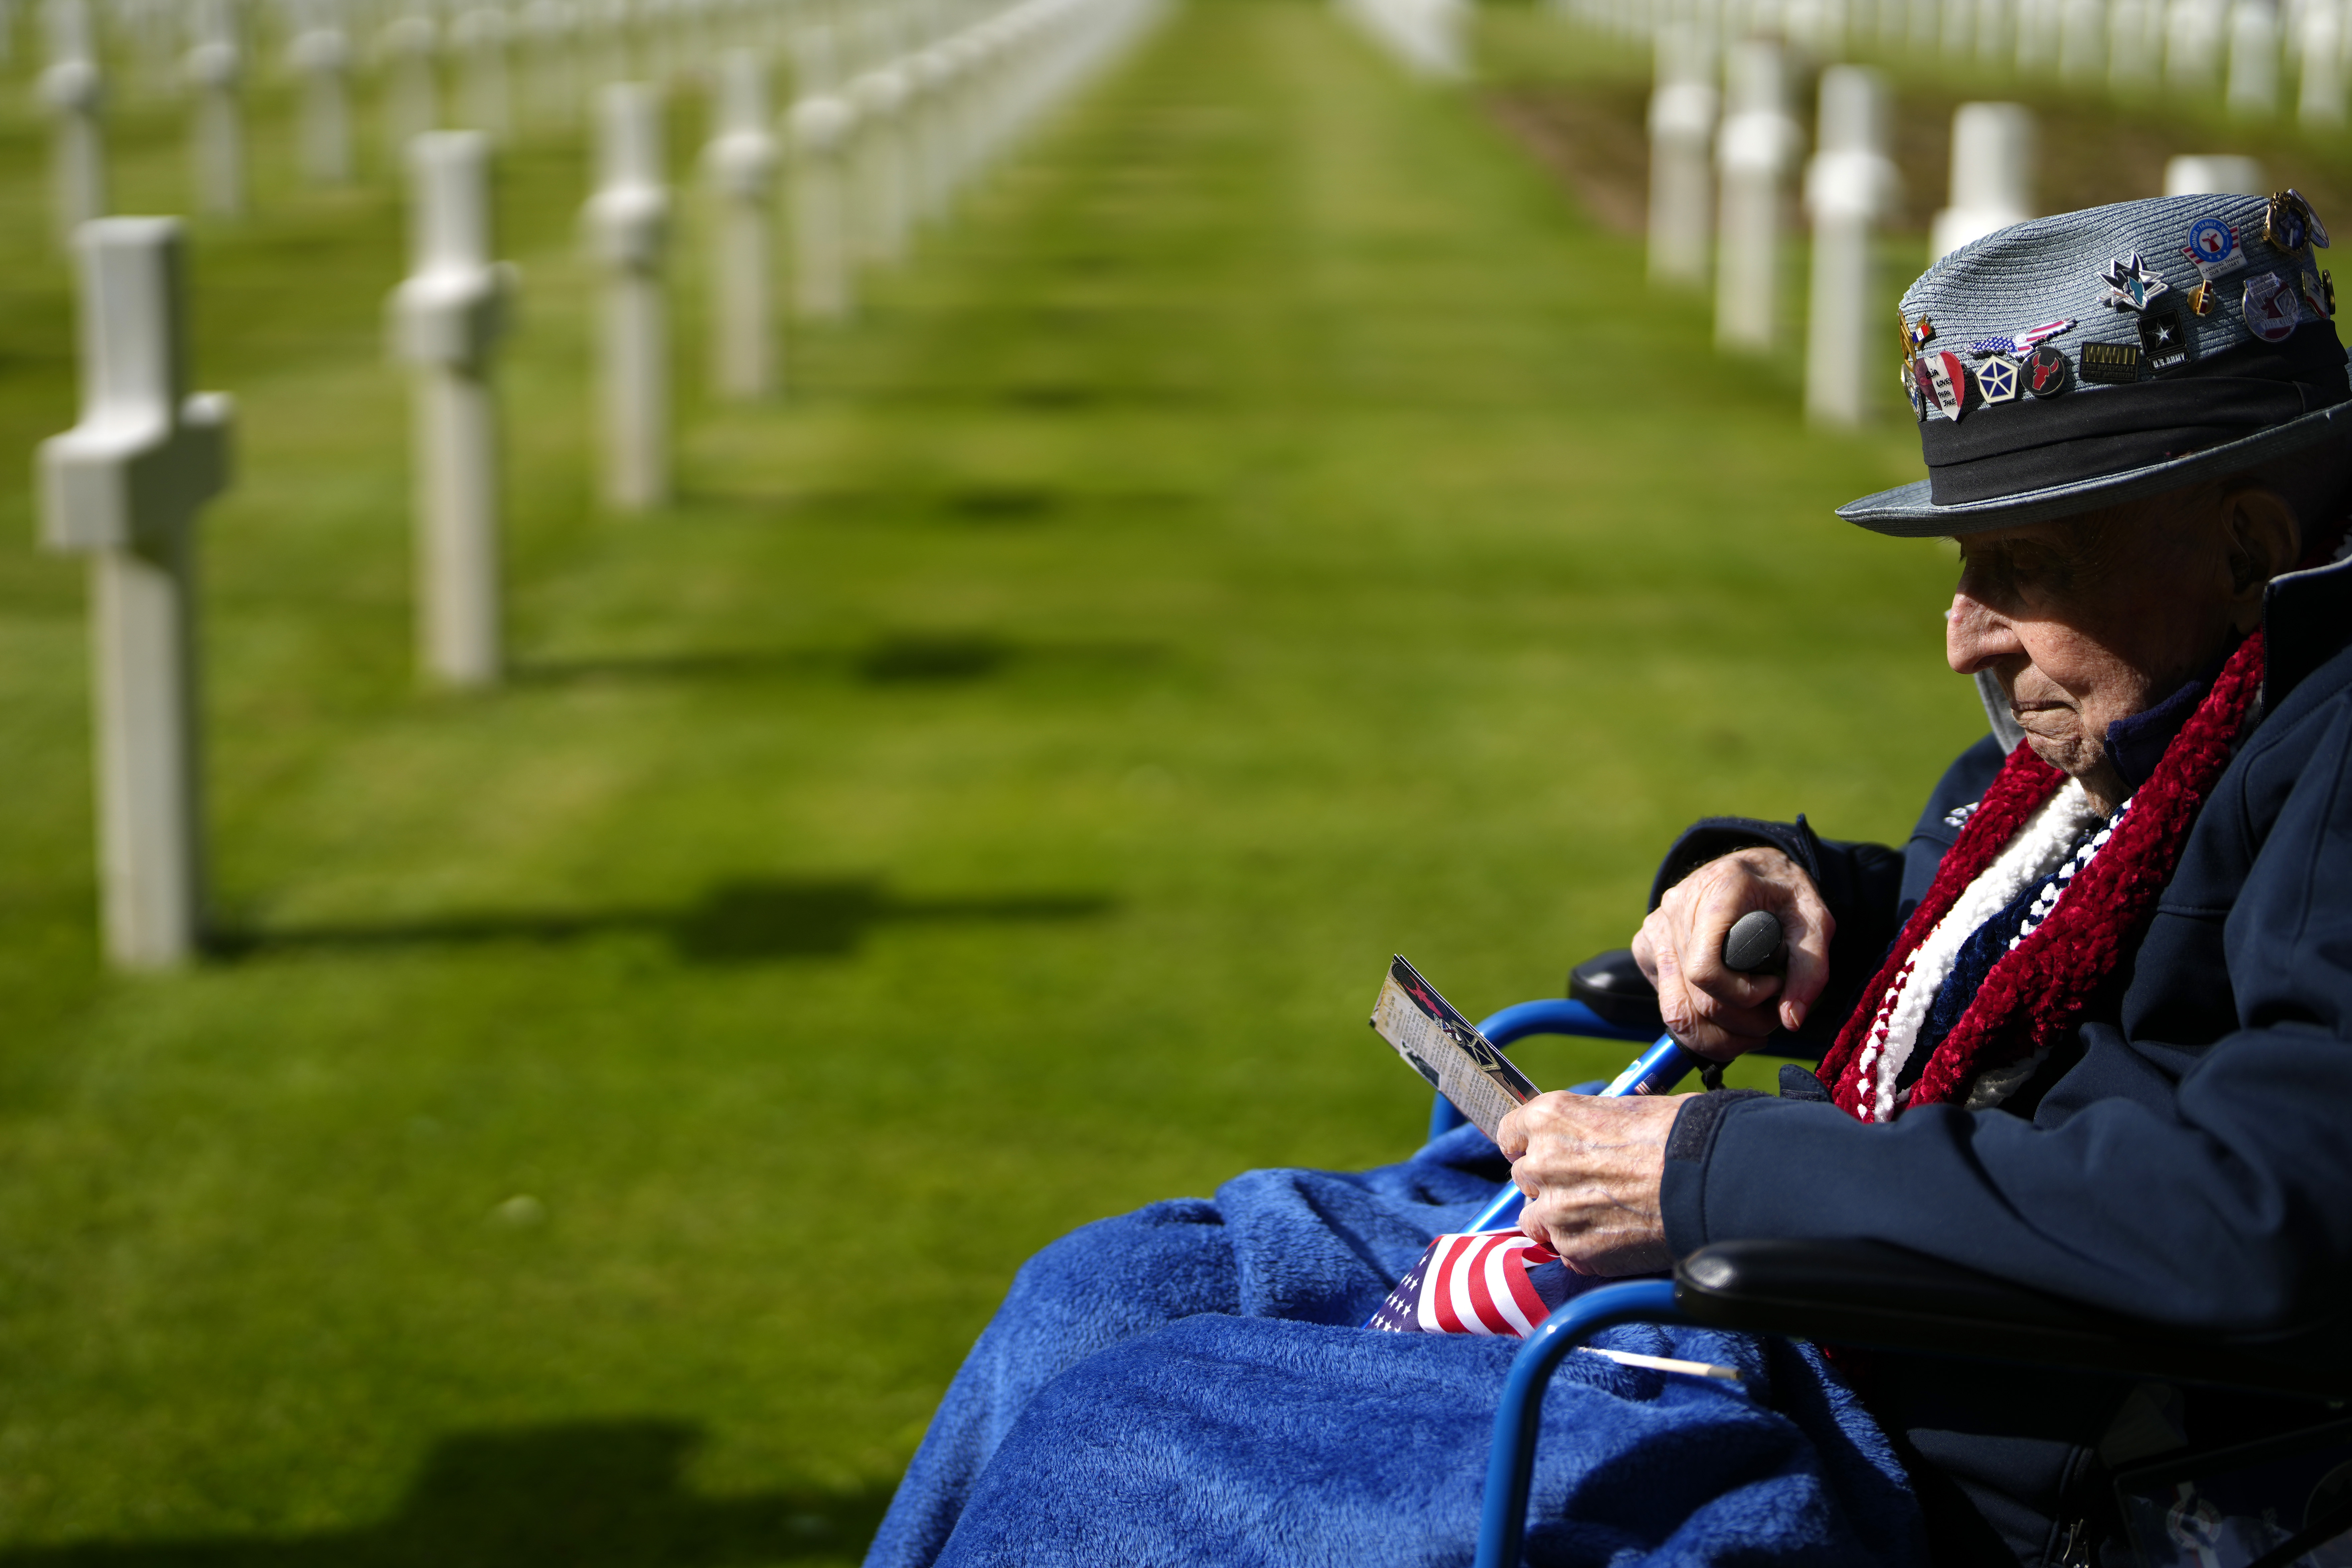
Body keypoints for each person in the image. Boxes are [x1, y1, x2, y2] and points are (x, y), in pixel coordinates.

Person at [865, 193, 2352, 1568]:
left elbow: (2274, 1209)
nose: (1962, 634)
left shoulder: (2324, 749)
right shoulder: (2147, 701)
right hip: (1790, 1277)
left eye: (2019, 566)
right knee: (1103, 1288)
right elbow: (2017, 935)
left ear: (2248, 545)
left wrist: (1704, 1172)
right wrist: (1783, 887)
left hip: (1897, 1423)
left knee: (1125, 1433)